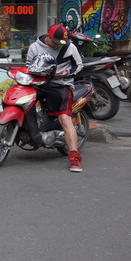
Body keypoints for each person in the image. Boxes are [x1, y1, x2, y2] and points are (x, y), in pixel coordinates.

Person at [26, 24, 84, 172]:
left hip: (61, 85)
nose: (58, 44)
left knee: (64, 118)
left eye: (61, 41)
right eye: (55, 41)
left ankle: (74, 158)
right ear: (48, 36)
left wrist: (67, 73)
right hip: (39, 83)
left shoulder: (69, 47)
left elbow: (78, 65)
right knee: (24, 102)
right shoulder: (34, 47)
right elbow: (28, 67)